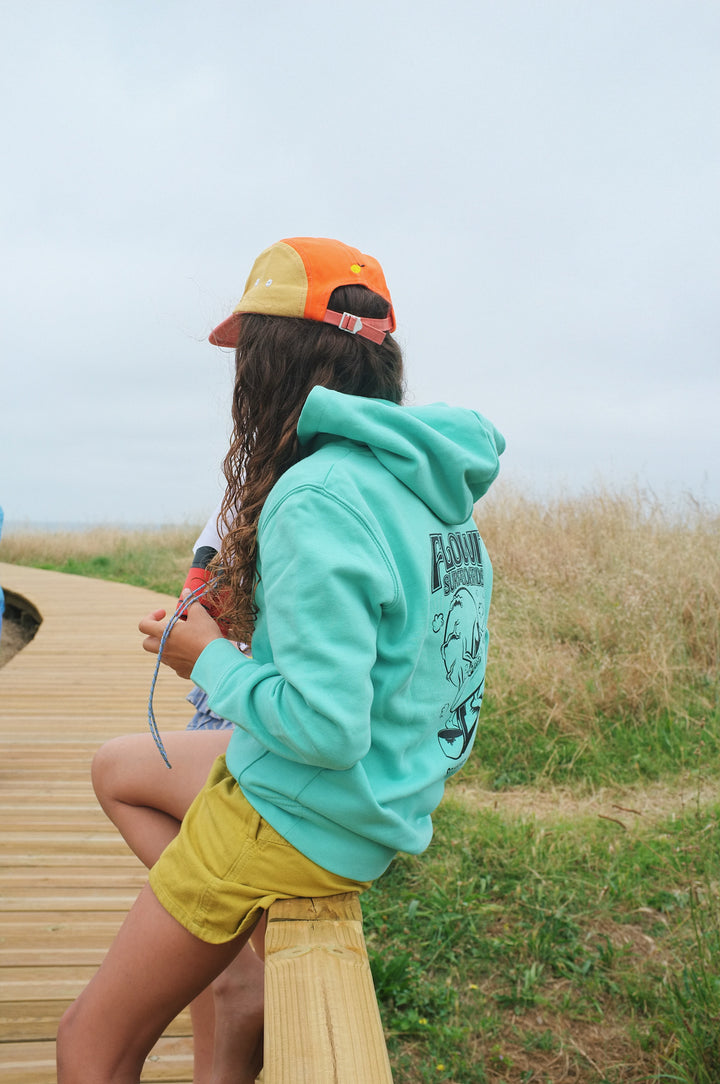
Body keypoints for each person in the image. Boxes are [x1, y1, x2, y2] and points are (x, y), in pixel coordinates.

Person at [57, 235, 505, 1084]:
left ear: (274, 362)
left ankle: (224, 947)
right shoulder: (436, 492)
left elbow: (326, 729)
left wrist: (206, 657)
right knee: (120, 767)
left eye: (246, 356)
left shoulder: (316, 494)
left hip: (295, 814)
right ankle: (231, 966)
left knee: (89, 1044)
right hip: (381, 802)